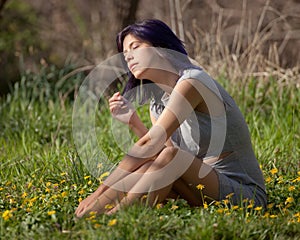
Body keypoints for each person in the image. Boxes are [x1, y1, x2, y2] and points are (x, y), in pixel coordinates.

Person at [75, 19, 267, 217]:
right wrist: (134, 122)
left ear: (160, 46)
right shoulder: (157, 105)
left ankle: (112, 219)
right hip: (199, 188)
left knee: (171, 158)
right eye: (125, 54)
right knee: (159, 162)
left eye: (136, 47)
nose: (129, 57)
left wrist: (98, 191)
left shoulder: (194, 82)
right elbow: (161, 155)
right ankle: (88, 216)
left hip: (245, 196)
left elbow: (159, 149)